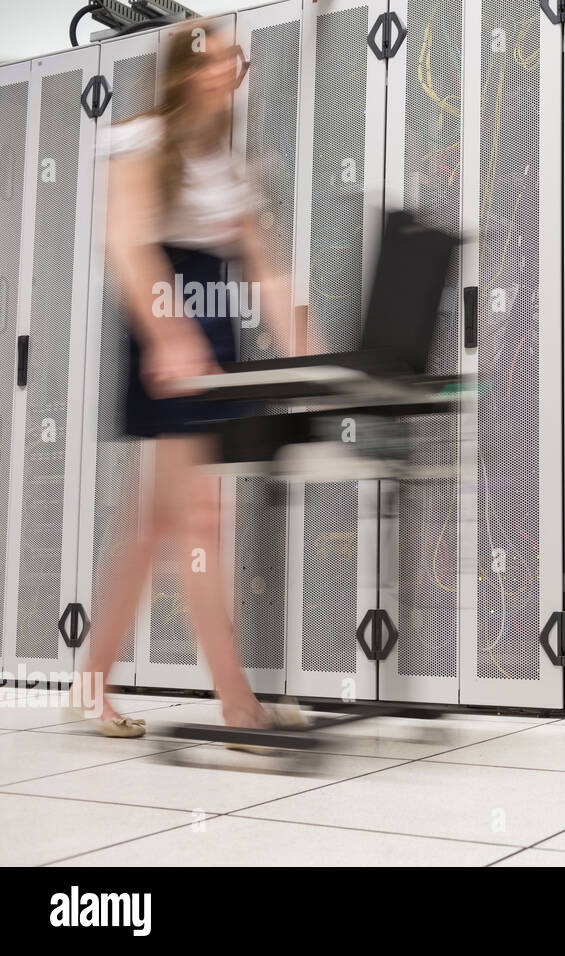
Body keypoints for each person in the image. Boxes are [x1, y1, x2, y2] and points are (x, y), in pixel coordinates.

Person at [71, 23, 302, 737]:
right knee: (199, 518)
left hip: (214, 333)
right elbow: (128, 243)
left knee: (150, 528)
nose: (228, 68)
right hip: (165, 324)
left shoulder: (232, 167)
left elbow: (264, 269)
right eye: (215, 55)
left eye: (237, 57)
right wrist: (171, 338)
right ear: (183, 72)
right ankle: (235, 698)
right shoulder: (141, 140)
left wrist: (311, 358)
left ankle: (88, 685)